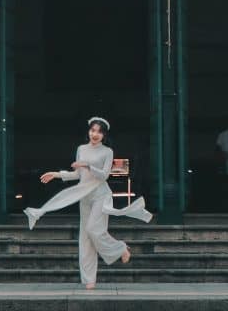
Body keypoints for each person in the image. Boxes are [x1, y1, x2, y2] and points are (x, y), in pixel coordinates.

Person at [24, 117, 152, 290]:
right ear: (88, 131)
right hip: (85, 196)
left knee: (94, 229)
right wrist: (56, 174)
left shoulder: (107, 152)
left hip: (101, 195)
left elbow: (104, 175)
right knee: (85, 239)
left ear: (104, 134)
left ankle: (120, 248)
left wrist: (87, 165)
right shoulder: (81, 149)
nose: (95, 134)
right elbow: (77, 175)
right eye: (92, 130)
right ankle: (89, 279)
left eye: (99, 131)